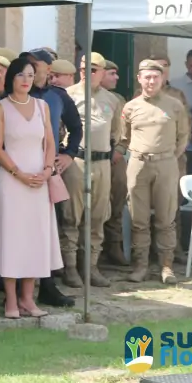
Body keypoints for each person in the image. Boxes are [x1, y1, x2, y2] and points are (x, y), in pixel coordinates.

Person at [0, 57, 60, 319]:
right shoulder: (1, 108)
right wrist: (18, 173)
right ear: (11, 79)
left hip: (39, 181)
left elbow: (50, 141)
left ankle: (28, 298)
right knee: (12, 238)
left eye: (30, 75)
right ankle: (11, 300)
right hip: (12, 180)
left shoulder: (42, 107)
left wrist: (48, 170)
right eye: (21, 75)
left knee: (35, 238)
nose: (26, 80)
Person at [118, 59, 189, 284]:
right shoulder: (130, 107)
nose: (151, 81)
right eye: (146, 77)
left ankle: (166, 266)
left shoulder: (175, 105)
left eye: (155, 77)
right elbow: (123, 137)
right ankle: (140, 266)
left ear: (163, 79)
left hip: (166, 163)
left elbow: (183, 137)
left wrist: (170, 158)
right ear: (139, 79)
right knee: (138, 218)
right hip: (138, 163)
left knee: (165, 218)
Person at [22, 48, 82, 307]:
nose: (33, 71)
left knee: (50, 228)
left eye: (37, 66)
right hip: (21, 169)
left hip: (49, 169)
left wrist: (69, 154)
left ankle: (47, 285)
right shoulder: (18, 95)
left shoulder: (57, 96)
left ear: (48, 69)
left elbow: (76, 128)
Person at [60, 53, 119, 288]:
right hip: (77, 160)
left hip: (102, 162)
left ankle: (91, 266)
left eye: (93, 69)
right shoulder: (68, 95)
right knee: (71, 216)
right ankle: (70, 267)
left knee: (97, 217)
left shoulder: (112, 100)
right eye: (83, 68)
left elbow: (117, 132)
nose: (87, 73)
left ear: (103, 72)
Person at [101, 60, 129, 267]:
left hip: (116, 156)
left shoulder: (118, 100)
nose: (116, 78)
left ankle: (114, 245)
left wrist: (119, 151)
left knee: (117, 200)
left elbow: (125, 130)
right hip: (94, 156)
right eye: (111, 73)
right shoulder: (81, 96)